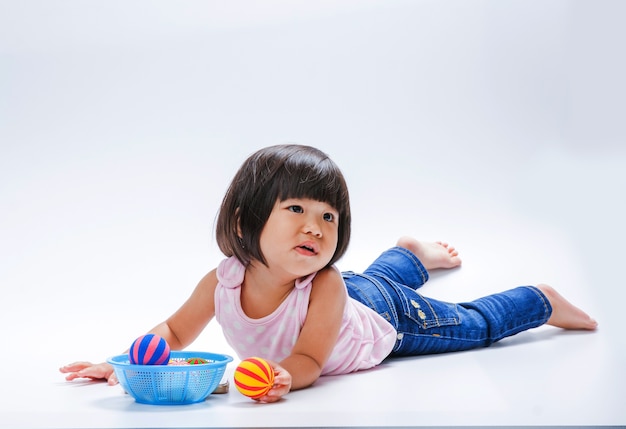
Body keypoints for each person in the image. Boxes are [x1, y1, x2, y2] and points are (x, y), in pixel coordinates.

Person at [60, 144, 597, 403]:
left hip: (385, 324)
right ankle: (410, 254)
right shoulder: (221, 282)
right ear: (246, 221)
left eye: (328, 218)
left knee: (470, 325)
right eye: (296, 210)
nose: (315, 228)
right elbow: (174, 334)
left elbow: (313, 357)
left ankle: (538, 299)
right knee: (373, 280)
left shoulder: (324, 279)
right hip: (356, 295)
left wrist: (288, 375)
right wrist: (127, 364)